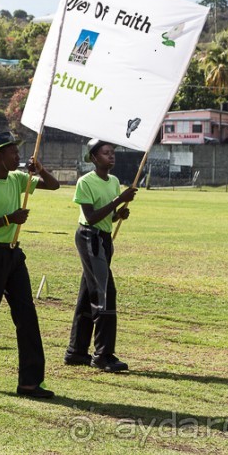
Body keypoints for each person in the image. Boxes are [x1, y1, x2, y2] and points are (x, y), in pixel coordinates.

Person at [0, 131, 59, 399]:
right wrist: (9, 219)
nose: (17, 156)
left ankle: (29, 383)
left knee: (27, 317)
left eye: (17, 152)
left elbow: (53, 186)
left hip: (14, 256)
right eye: (12, 152)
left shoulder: (18, 178)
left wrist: (40, 169)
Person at [64, 139, 137, 372]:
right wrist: (119, 200)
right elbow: (92, 217)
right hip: (89, 238)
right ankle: (103, 355)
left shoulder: (114, 181)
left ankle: (76, 352)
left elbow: (108, 217)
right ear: (94, 158)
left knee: (88, 292)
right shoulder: (85, 182)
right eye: (105, 153)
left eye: (113, 152)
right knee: (105, 292)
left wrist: (119, 214)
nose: (111, 156)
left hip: (103, 239)